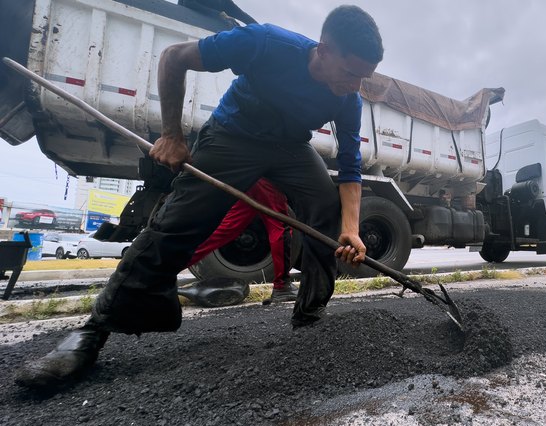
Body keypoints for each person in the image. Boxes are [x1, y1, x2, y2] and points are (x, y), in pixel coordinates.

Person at [15, 5, 384, 390]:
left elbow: (350, 165)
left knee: (326, 209)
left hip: (290, 147)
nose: (355, 86)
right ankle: (93, 332)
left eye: (364, 78)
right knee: (177, 222)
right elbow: (174, 58)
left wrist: (352, 229)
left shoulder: (348, 99)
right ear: (324, 50)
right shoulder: (265, 43)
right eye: (350, 73)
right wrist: (172, 135)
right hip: (234, 136)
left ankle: (311, 318)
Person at [187, 178, 298, 304]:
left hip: (252, 176)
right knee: (280, 225)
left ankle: (171, 264)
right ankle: (282, 286)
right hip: (265, 175)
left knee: (228, 228)